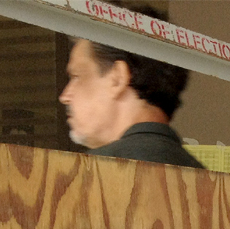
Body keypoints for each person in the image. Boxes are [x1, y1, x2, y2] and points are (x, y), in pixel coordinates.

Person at [59, 8, 203, 169]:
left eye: (76, 76)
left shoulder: (86, 174)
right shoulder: (209, 180)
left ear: (117, 78)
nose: (65, 96)